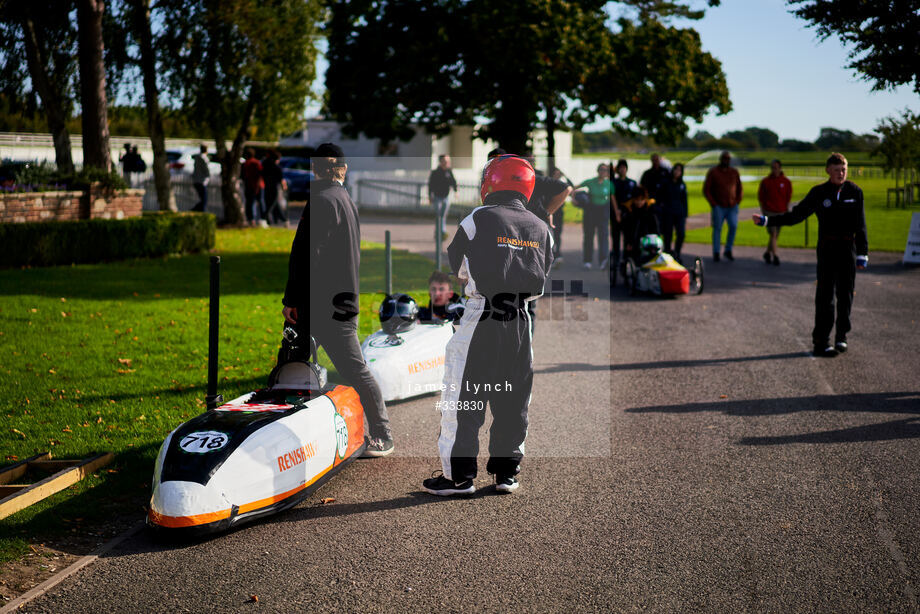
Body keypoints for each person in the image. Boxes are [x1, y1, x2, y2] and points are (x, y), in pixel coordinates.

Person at [423, 154, 553, 496]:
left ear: (490, 182)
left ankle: (459, 477)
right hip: (522, 323)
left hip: (481, 316)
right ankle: (506, 473)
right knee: (513, 400)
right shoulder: (542, 226)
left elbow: (458, 265)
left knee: (464, 398)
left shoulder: (478, 218)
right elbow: (543, 276)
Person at [282, 142, 394, 456]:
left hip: (321, 303)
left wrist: (292, 299)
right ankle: (296, 435)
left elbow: (305, 256)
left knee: (339, 368)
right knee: (304, 363)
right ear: (343, 169)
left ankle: (383, 434)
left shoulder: (321, 199)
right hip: (339, 298)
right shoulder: (344, 198)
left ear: (315, 168)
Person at [753, 153, 868, 358]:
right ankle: (821, 342)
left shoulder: (855, 192)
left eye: (844, 170)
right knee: (825, 296)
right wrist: (767, 221)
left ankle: (842, 336)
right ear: (828, 171)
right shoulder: (819, 193)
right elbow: (795, 216)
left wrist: (863, 253)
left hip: (848, 249)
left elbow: (861, 225)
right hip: (827, 249)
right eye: (836, 170)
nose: (841, 174)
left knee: (846, 294)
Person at [704, 150, 743, 262]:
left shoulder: (734, 172)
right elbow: (707, 189)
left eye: (728, 159)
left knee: (733, 226)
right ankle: (716, 252)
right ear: (720, 159)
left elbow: (740, 188)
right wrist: (714, 203)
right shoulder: (713, 172)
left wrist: (737, 201)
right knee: (717, 229)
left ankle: (728, 250)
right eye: (724, 158)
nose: (726, 160)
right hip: (718, 206)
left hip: (732, 206)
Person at [758, 159, 793, 265]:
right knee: (773, 233)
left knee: (775, 235)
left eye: (776, 167)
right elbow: (761, 197)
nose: (774, 170)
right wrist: (763, 211)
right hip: (769, 212)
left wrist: (786, 209)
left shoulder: (786, 181)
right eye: (772, 168)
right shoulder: (766, 181)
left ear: (780, 168)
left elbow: (788, 197)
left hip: (781, 211)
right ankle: (776, 256)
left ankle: (768, 252)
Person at [578, 163, 612, 270]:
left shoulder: (609, 184)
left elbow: (613, 199)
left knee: (603, 237)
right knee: (588, 236)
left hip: (603, 212)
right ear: (598, 171)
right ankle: (587, 260)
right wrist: (575, 199)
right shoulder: (590, 182)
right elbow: (574, 188)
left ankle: (603, 260)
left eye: (605, 170)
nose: (603, 172)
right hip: (591, 211)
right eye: (601, 169)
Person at [611, 159, 637, 273]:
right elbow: (612, 197)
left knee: (628, 238)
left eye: (624, 167)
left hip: (629, 214)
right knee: (616, 238)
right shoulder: (614, 182)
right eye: (620, 167)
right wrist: (617, 212)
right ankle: (616, 259)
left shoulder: (632, 183)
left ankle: (627, 259)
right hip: (616, 213)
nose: (622, 169)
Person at [621, 186, 659, 263]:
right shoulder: (629, 212)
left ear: (645, 200)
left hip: (647, 240)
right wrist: (628, 243)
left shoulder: (650, 211)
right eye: (637, 200)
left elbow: (655, 227)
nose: (639, 202)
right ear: (633, 200)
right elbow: (626, 229)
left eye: (642, 200)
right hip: (632, 241)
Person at [660, 163, 688, 262]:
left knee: (681, 234)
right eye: (676, 170)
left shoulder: (682, 185)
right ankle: (667, 252)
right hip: (668, 213)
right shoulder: (666, 183)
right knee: (668, 234)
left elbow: (684, 200)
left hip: (679, 213)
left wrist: (685, 214)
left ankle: (677, 252)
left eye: (679, 171)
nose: (677, 172)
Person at [428, 154, 458, 241]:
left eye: (448, 161)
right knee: (438, 215)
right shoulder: (435, 172)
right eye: (445, 161)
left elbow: (453, 182)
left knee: (443, 215)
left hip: (446, 197)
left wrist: (456, 191)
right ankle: (441, 232)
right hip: (437, 197)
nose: (447, 163)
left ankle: (440, 232)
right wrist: (430, 195)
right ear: (441, 162)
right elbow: (431, 185)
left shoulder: (449, 172)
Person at [550, 167, 574, 264]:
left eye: (559, 174)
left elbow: (571, 187)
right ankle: (551, 253)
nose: (557, 175)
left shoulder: (561, 185)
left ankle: (557, 252)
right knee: (550, 233)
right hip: (550, 212)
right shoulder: (548, 184)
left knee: (558, 234)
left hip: (559, 213)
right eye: (556, 174)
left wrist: (565, 176)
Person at [640, 153, 671, 227]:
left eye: (657, 160)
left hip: (664, 202)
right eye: (654, 160)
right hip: (652, 202)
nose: (655, 162)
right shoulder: (647, 173)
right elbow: (643, 187)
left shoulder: (665, 172)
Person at [262, 150, 288, 226]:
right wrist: (284, 186)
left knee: (273, 204)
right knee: (272, 204)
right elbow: (281, 179)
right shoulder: (277, 167)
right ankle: (263, 218)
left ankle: (280, 220)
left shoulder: (265, 165)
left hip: (267, 186)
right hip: (275, 187)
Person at [241, 147, 264, 225]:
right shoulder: (256, 162)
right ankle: (262, 218)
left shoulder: (246, 164)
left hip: (250, 185)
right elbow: (260, 175)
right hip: (258, 185)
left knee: (250, 203)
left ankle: (251, 219)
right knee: (260, 202)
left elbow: (244, 176)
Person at [191, 144, 210, 213]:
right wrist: (207, 179)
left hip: (196, 180)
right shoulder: (204, 158)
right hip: (202, 181)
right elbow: (206, 171)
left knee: (203, 200)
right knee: (204, 200)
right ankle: (198, 212)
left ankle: (195, 211)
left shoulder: (196, 157)